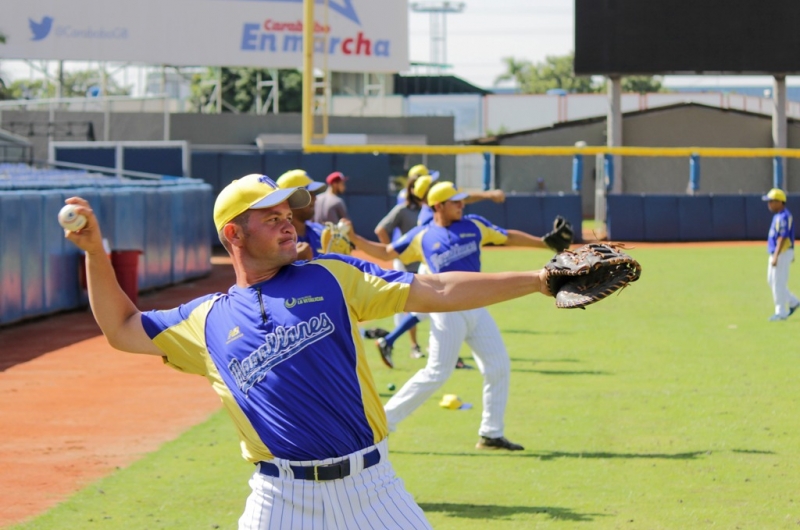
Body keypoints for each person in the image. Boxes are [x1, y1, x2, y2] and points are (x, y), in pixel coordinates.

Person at [62, 173, 554, 527]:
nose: (288, 224)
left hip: (373, 491)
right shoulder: (205, 320)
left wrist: (539, 280)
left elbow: (439, 289)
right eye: (271, 217)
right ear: (233, 233)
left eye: (288, 214)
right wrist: (94, 252)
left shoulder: (331, 276)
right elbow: (123, 327)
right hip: (280, 501)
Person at [349, 181, 555, 451]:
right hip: (447, 310)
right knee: (436, 373)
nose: (461, 205)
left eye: (461, 201)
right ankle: (380, 425)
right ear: (438, 206)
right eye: (455, 201)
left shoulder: (473, 224)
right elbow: (386, 252)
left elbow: (508, 236)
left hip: (478, 306)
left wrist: (545, 243)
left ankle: (491, 433)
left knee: (498, 365)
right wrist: (353, 237)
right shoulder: (422, 234)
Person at [375, 175, 507, 369]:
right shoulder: (431, 213)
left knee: (428, 313)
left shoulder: (430, 208)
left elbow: (462, 200)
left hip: (434, 266)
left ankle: (393, 340)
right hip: (435, 267)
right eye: (432, 182)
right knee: (439, 311)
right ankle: (404, 343)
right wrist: (488, 195)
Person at [763, 187, 799, 321]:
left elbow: (783, 238)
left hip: (781, 253)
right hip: (779, 253)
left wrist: (776, 256)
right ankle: (793, 301)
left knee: (778, 282)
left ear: (780, 201)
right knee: (772, 281)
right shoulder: (779, 216)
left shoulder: (784, 216)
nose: (769, 204)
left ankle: (781, 312)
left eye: (772, 201)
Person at [275, 169, 327, 260]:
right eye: (308, 194)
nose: (315, 199)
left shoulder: (322, 232)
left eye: (314, 194)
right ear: (291, 199)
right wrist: (290, 262)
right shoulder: (274, 240)